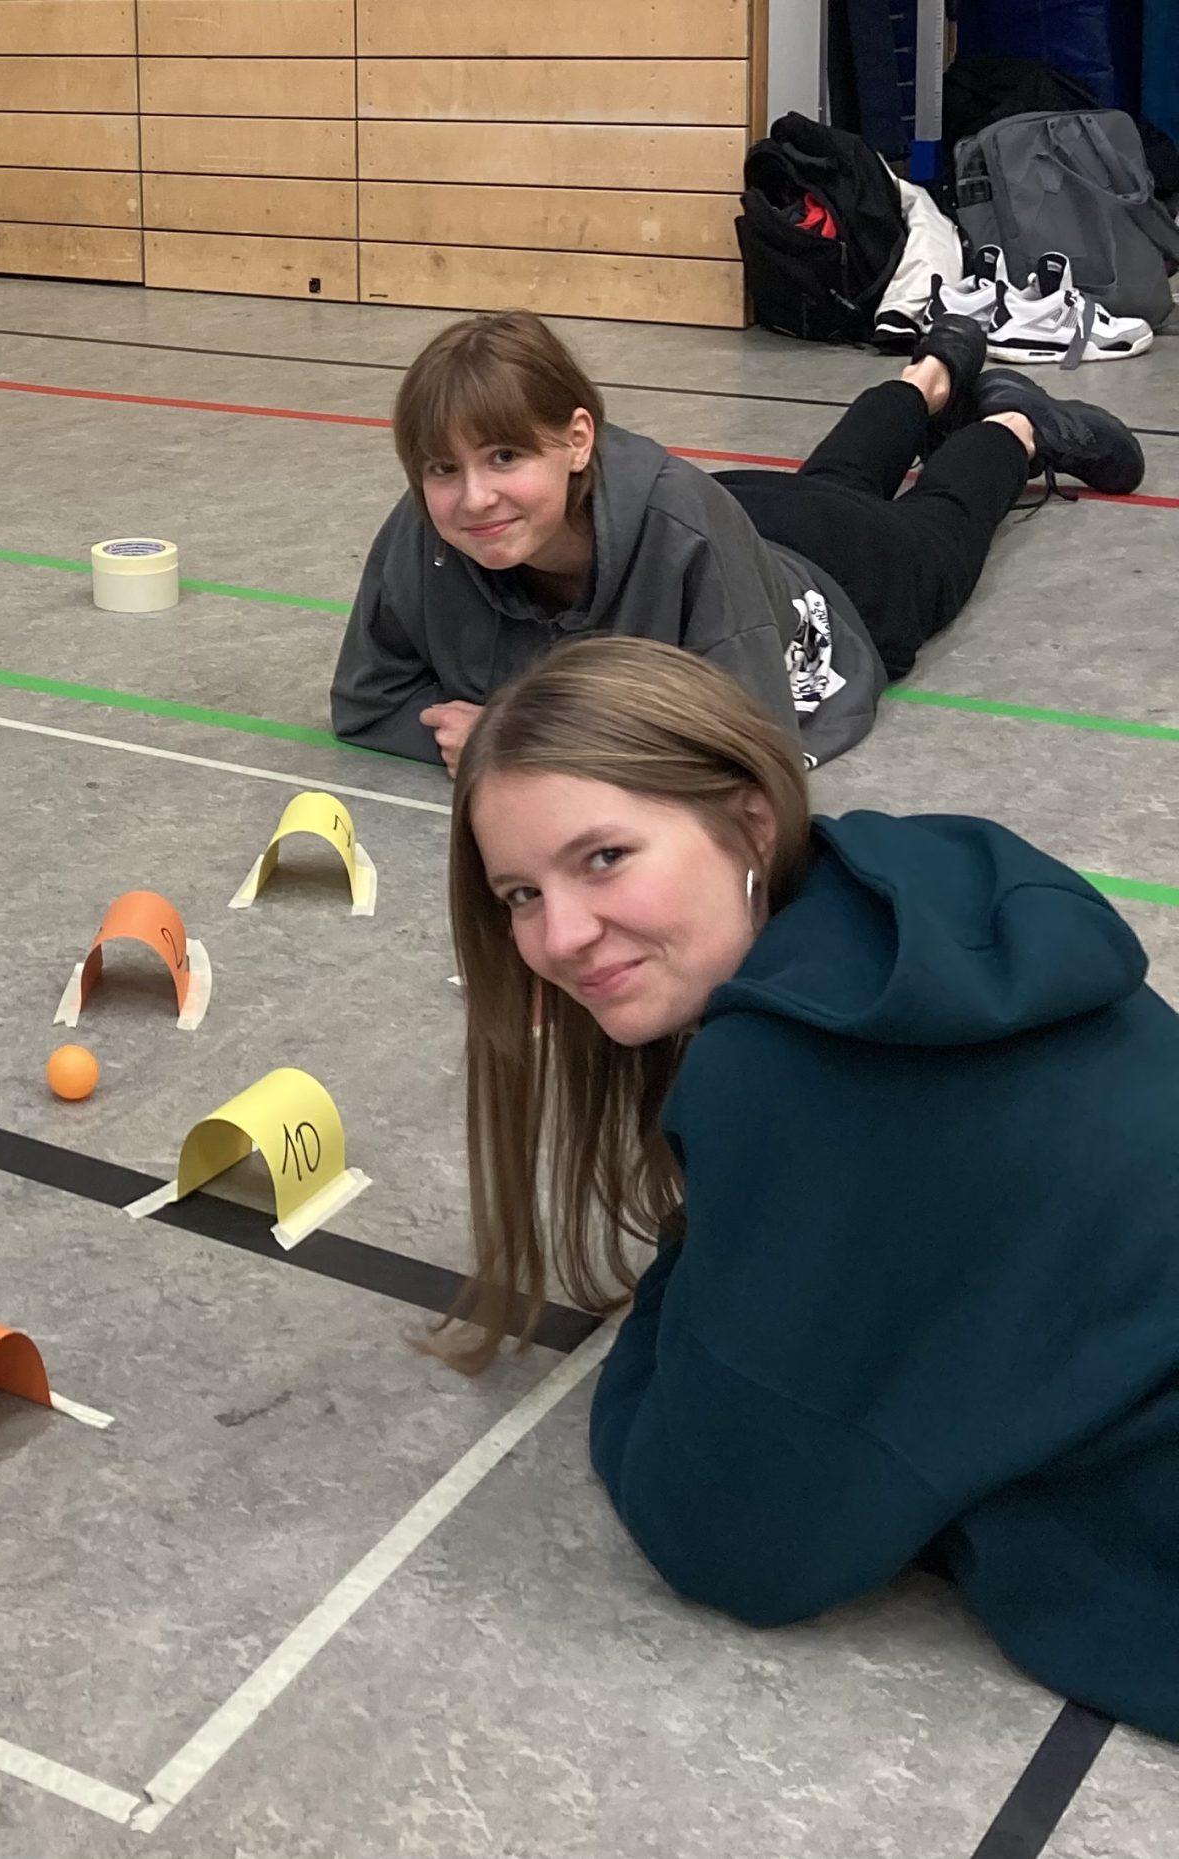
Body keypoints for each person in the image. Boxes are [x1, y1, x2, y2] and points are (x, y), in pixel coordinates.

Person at [443, 634, 1179, 1740]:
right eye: (519, 892)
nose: (560, 935)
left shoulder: (782, 1072)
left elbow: (734, 1536)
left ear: (749, 822)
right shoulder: (914, 886)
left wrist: (680, 1290)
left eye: (603, 857)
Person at [331, 309, 1146, 773]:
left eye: (505, 456)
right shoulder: (427, 530)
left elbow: (753, 752)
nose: (474, 496)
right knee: (833, 479)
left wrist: (516, 743)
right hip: (742, 519)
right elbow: (368, 700)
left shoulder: (684, 534)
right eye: (443, 467)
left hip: (836, 580)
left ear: (578, 440)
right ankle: (929, 375)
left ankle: (1014, 424)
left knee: (937, 534)